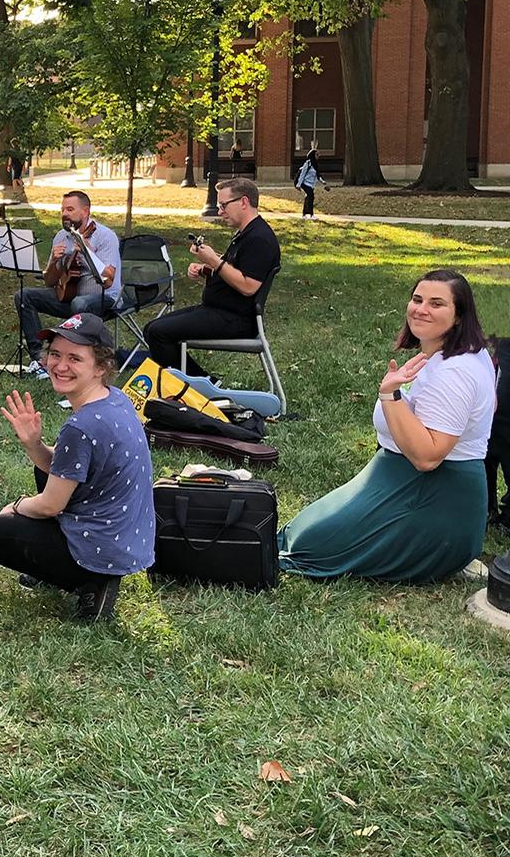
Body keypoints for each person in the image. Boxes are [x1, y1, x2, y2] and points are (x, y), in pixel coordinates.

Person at [279, 270, 492, 582]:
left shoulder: (454, 372)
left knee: (311, 548)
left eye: (436, 304)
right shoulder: (454, 355)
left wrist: (390, 394)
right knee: (299, 533)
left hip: (434, 493)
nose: (421, 309)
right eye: (417, 299)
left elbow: (428, 457)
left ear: (459, 316)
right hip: (396, 478)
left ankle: (446, 551)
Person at [0, 313, 155, 621]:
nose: (60, 365)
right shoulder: (116, 399)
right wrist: (33, 444)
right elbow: (69, 464)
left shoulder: (81, 427)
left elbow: (49, 505)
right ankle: (68, 568)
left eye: (75, 358)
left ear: (101, 367)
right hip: (127, 538)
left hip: (103, 549)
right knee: (46, 469)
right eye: (55, 354)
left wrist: (14, 507)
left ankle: (91, 583)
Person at [143, 178, 281, 377]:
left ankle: (200, 387)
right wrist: (204, 268)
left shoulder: (259, 238)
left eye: (224, 205)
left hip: (237, 319)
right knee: (151, 329)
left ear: (243, 202)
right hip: (220, 311)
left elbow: (248, 286)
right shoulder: (247, 233)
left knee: (158, 332)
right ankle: (201, 384)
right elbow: (234, 270)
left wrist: (215, 262)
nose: (220, 211)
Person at [14, 191, 122, 379]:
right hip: (68, 295)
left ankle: (75, 359)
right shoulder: (61, 237)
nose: (65, 214)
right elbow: (49, 281)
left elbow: (109, 279)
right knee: (24, 296)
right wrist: (55, 262)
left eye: (70, 209)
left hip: (103, 298)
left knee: (80, 304)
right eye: (62, 209)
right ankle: (40, 360)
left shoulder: (105, 236)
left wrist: (88, 253)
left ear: (85, 211)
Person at [295, 148, 328, 218]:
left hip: (311, 185)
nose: (318, 156)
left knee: (308, 198)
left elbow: (318, 175)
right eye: (317, 154)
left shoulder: (315, 165)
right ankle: (311, 215)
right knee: (311, 197)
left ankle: (304, 214)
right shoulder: (308, 163)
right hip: (305, 183)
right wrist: (298, 184)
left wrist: (323, 181)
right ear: (313, 155)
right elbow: (302, 174)